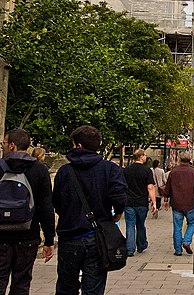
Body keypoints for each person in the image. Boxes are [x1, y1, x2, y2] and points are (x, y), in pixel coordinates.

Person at [52, 125, 128, 295]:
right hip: (98, 237)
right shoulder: (110, 169)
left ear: (78, 145)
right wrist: (117, 214)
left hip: (70, 235)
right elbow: (120, 197)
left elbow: (56, 202)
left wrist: (68, 215)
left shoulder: (65, 171)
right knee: (93, 288)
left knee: (66, 287)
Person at [0, 129, 56, 295]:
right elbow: (46, 207)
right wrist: (49, 240)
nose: (2, 146)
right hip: (28, 234)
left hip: (0, 236)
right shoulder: (39, 170)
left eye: (3, 143)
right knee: (22, 282)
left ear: (12, 146)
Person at [163, 152, 194, 256]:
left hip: (176, 203)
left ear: (179, 159)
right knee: (192, 223)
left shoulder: (173, 171)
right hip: (190, 203)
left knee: (177, 227)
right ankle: (187, 241)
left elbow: (168, 187)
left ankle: (178, 250)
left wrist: (166, 199)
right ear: (190, 159)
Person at [122, 149, 157, 257]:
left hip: (129, 202)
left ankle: (130, 249)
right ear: (141, 157)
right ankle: (141, 245)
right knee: (140, 224)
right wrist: (154, 203)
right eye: (145, 155)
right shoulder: (147, 171)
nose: (146, 157)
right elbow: (150, 188)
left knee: (130, 225)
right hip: (142, 203)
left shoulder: (126, 170)